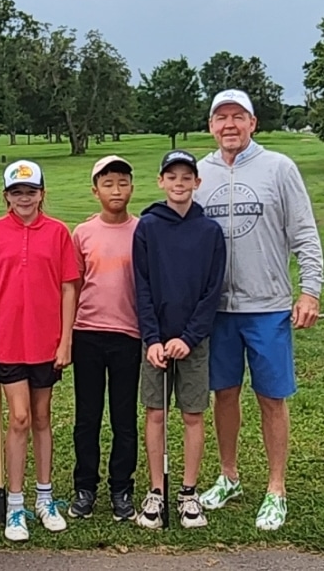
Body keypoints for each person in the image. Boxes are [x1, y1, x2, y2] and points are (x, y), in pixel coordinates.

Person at [196, 89, 323, 530]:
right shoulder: (198, 174)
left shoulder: (279, 168)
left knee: (271, 397)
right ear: (211, 126)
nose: (229, 125)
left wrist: (310, 292)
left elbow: (305, 234)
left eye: (238, 117)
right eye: (220, 118)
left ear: (253, 123)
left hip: (267, 305)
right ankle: (228, 475)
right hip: (217, 310)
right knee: (224, 393)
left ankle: (275, 488)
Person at [0, 160, 79, 538]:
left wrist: (66, 339)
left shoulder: (57, 233)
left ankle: (44, 497)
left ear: (42, 193)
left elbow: (69, 287)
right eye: (17, 192)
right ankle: (15, 505)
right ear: (6, 196)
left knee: (41, 417)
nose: (24, 198)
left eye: (31, 191)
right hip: (6, 340)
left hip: (46, 340)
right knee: (18, 418)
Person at [133, 150, 226, 530]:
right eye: (172, 177)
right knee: (155, 412)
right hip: (155, 340)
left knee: (192, 414)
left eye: (186, 177)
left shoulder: (210, 232)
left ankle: (188, 493)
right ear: (161, 182)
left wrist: (189, 337)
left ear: (197, 183)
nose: (179, 183)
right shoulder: (148, 227)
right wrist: (152, 338)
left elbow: (212, 290)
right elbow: (142, 287)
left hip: (194, 340)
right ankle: (156, 491)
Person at [69, 156, 140, 523]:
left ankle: (121, 487)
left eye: (123, 183)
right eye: (108, 184)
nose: (116, 190)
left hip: (128, 335)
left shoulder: (143, 230)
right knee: (88, 416)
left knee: (124, 417)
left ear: (132, 187)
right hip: (88, 334)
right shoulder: (83, 233)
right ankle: (85, 487)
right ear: (95, 190)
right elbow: (75, 286)